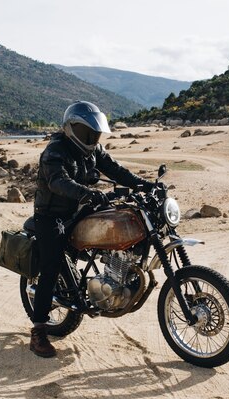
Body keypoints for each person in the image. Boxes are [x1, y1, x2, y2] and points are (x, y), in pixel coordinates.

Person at [30, 101, 153, 357]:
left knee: (116, 227)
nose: (93, 138)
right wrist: (89, 194)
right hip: (51, 217)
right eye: (89, 133)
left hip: (80, 210)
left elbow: (116, 170)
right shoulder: (55, 151)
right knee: (51, 269)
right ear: (72, 128)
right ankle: (39, 331)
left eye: (96, 133)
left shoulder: (93, 150)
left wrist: (145, 185)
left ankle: (112, 279)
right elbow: (58, 182)